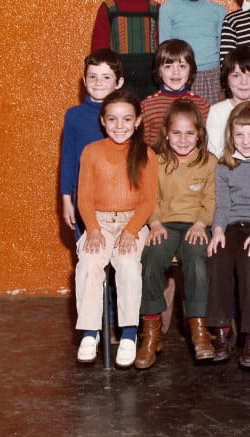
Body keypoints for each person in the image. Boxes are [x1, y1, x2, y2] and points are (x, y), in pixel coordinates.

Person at [74, 90, 157, 368]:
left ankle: (129, 334)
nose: (119, 126)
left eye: (126, 119)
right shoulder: (92, 152)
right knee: (89, 262)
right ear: (103, 121)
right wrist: (93, 229)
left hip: (132, 222)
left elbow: (147, 201)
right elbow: (84, 198)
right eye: (112, 119)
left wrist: (131, 230)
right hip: (98, 221)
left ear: (138, 121)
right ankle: (90, 332)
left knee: (128, 263)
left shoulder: (146, 154)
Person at [135, 99, 217, 369]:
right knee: (152, 258)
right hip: (166, 224)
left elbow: (210, 199)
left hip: (195, 225)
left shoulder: (209, 162)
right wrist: (155, 223)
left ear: (199, 134)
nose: (183, 139)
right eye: (177, 133)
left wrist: (201, 223)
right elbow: (151, 197)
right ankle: (151, 332)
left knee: (195, 259)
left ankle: (198, 330)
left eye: (190, 133)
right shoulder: (156, 161)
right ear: (166, 134)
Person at [206, 102, 250, 368]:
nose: (246, 141)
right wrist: (218, 230)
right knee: (218, 258)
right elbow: (223, 206)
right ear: (230, 136)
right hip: (232, 225)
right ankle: (222, 329)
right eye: (239, 135)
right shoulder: (224, 166)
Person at [61, 49, 124, 238]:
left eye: (106, 77)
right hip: (83, 194)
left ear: (119, 82)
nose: (98, 82)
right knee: (88, 247)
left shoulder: (125, 115)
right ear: (84, 80)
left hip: (118, 194)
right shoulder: (73, 115)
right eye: (92, 76)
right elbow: (68, 159)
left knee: (117, 249)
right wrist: (66, 200)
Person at [158, 0, 226, 106]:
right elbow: (164, 49)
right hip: (179, 76)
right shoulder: (168, 9)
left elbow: (223, 51)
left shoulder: (219, 11)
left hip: (211, 78)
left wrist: (223, 85)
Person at [91, 0, 159, 100]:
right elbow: (99, 48)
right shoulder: (109, 8)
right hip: (119, 79)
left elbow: (162, 47)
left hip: (150, 80)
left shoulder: (156, 9)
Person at [141, 39, 210, 146]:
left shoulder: (202, 105)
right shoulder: (147, 106)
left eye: (182, 66)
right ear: (159, 71)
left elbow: (205, 143)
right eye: (168, 66)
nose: (176, 72)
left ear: (190, 70)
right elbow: (143, 146)